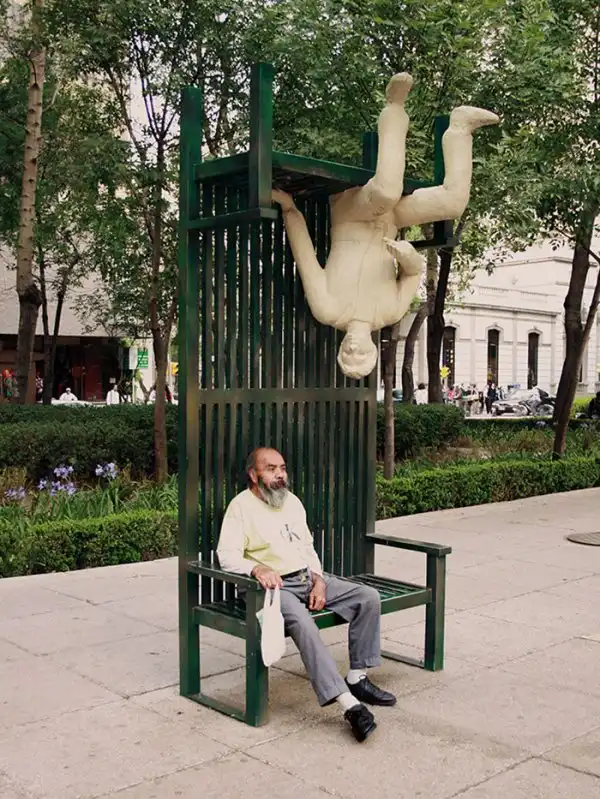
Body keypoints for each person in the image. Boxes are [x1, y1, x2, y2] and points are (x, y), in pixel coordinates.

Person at [272, 73, 498, 379]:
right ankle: (459, 128)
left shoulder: (327, 309)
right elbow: (414, 272)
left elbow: (305, 257)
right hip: (390, 221)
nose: (353, 349)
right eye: (361, 354)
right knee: (453, 203)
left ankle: (395, 106)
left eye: (348, 354)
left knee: (387, 191)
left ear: (340, 350)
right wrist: (407, 256)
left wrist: (290, 210)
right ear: (373, 349)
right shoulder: (391, 312)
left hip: (351, 217)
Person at [217, 447, 396, 743]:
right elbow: (226, 556)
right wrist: (257, 568)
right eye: (271, 469)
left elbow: (307, 547)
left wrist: (319, 580)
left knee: (367, 597)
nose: (280, 475)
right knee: (303, 622)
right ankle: (349, 705)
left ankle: (357, 677)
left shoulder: (291, 501)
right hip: (270, 589)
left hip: (304, 577)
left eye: (282, 468)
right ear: (253, 474)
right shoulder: (240, 507)